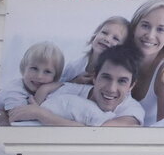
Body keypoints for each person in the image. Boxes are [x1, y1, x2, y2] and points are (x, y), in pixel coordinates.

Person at [8, 46, 143, 127]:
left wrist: (42, 115)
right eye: (106, 77)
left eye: (122, 81)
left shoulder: (132, 111)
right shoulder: (72, 90)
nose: (111, 88)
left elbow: (100, 132)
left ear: (131, 86)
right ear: (95, 77)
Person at [124, 0, 164, 125]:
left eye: (160, 29)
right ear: (134, 27)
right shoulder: (118, 56)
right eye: (145, 25)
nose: (150, 35)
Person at [0, 40, 64, 122]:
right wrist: (43, 92)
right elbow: (19, 118)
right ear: (24, 69)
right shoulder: (14, 91)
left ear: (55, 77)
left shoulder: (50, 89)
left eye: (47, 71)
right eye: (34, 68)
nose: (39, 76)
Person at [61, 16, 129, 84]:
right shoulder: (74, 66)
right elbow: (59, 87)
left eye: (115, 38)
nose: (107, 39)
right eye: (104, 33)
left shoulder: (118, 74)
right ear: (95, 34)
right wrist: (75, 82)